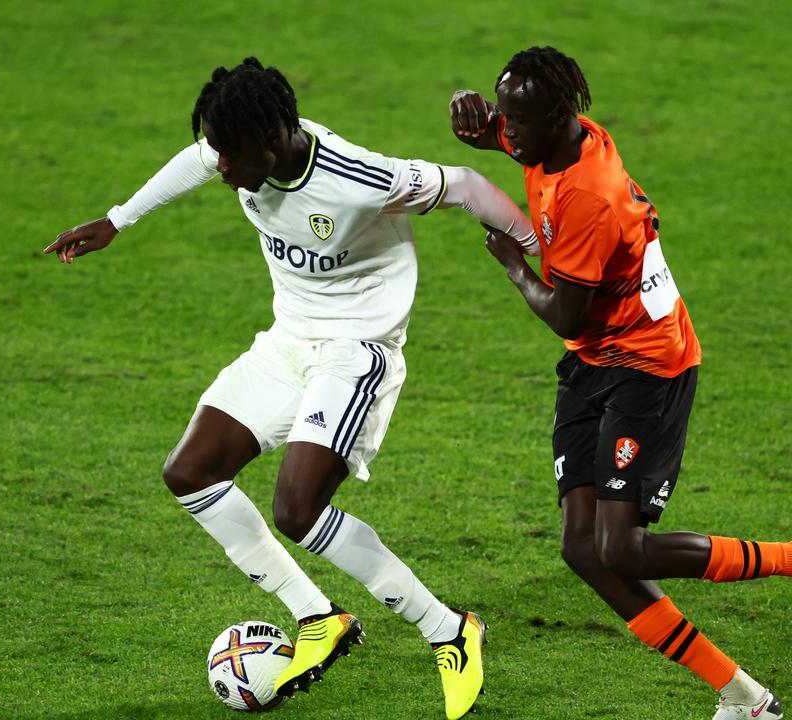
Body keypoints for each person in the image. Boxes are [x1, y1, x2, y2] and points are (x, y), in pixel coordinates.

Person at [45, 56, 540, 720]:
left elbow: (464, 184)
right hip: (288, 342)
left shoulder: (356, 178)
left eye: (233, 157)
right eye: (217, 152)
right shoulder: (240, 143)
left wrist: (535, 243)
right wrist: (117, 219)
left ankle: (448, 630)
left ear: (274, 138)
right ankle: (319, 619)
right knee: (191, 472)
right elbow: (196, 160)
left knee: (297, 509)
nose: (222, 169)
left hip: (356, 351)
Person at [448, 46, 792, 720]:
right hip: (593, 362)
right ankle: (743, 697)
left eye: (518, 120)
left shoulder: (591, 197)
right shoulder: (556, 140)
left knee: (622, 547)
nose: (509, 130)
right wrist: (474, 122)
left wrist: (513, 262)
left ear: (558, 118)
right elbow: (501, 136)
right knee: (583, 551)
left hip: (648, 364)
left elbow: (564, 310)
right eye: (507, 115)